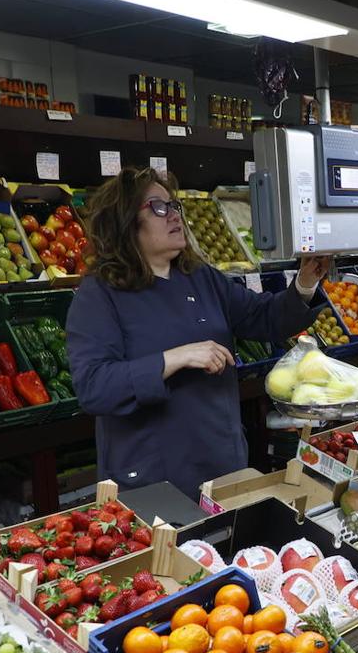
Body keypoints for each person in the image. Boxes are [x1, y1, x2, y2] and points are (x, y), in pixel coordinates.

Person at [67, 167, 330, 500]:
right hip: (153, 478)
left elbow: (266, 318)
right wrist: (174, 358)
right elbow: (94, 387)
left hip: (222, 463)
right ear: (124, 221)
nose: (174, 215)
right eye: (158, 207)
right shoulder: (99, 295)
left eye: (174, 205)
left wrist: (306, 282)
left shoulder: (201, 278)